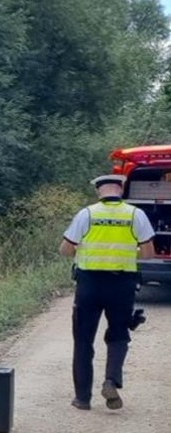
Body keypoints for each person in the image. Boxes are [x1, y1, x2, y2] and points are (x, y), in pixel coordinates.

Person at [60, 174, 155, 410]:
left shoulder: (87, 214)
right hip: (121, 284)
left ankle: (82, 398)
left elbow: (65, 248)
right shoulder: (135, 215)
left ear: (98, 191)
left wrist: (83, 252)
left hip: (89, 284)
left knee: (83, 341)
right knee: (119, 335)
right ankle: (111, 380)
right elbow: (148, 253)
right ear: (120, 190)